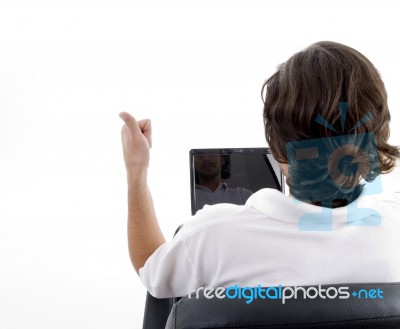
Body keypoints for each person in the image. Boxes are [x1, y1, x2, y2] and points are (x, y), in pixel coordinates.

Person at [119, 41, 400, 298]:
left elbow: (150, 267)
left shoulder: (211, 237)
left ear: (278, 149)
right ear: (378, 135)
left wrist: (136, 170)